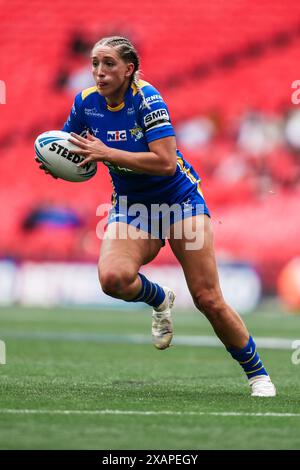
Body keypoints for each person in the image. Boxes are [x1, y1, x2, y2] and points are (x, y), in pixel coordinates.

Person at [36, 36, 276, 397]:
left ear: (129, 68)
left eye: (109, 64)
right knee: (113, 279)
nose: (99, 72)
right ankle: (159, 298)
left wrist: (107, 153)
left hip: (179, 202)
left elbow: (165, 163)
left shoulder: (148, 100)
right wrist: (58, 163)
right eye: (95, 64)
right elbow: (73, 149)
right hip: (133, 207)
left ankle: (258, 374)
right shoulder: (85, 102)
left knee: (208, 298)